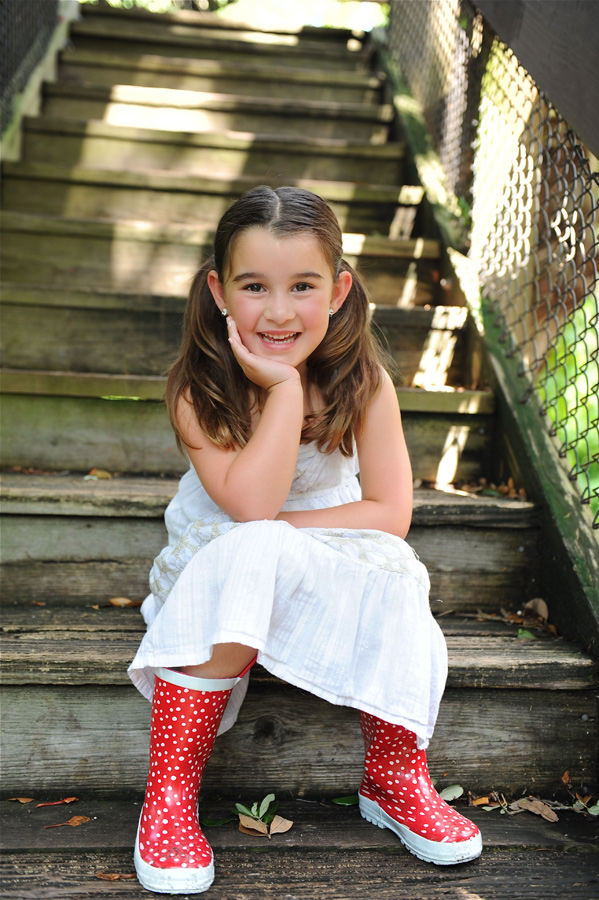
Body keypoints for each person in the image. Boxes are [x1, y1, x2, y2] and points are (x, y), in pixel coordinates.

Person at [128, 185, 482, 894]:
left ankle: (391, 776)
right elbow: (249, 507)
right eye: (254, 286)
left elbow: (388, 512)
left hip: (325, 554)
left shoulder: (363, 381)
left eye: (303, 286)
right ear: (218, 291)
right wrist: (284, 391)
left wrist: (286, 532)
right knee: (251, 547)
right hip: (218, 566)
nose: (280, 311)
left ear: (340, 290)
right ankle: (167, 794)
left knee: (396, 571)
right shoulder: (198, 385)